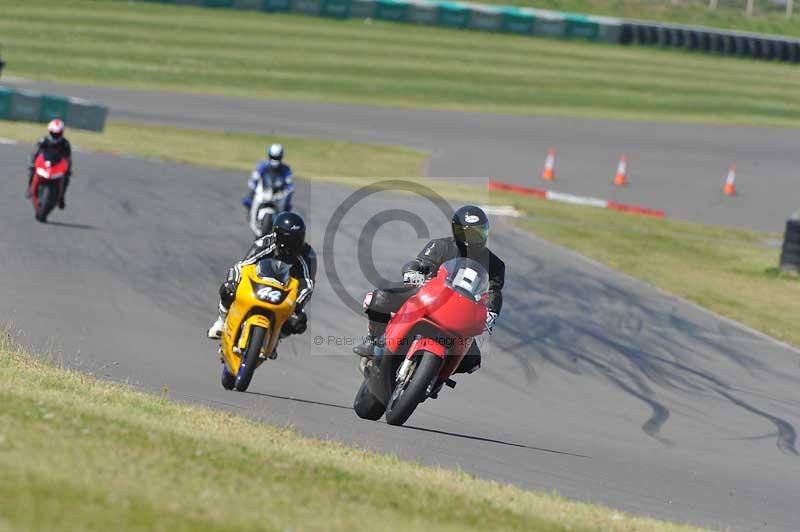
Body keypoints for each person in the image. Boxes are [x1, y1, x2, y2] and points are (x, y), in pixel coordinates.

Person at [353, 205, 505, 376]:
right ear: (456, 231)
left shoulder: (496, 265)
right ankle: (375, 341)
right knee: (377, 298)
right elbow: (421, 263)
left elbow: (494, 291)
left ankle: (434, 374)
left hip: (462, 311)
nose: (472, 238)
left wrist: (491, 313)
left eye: (477, 232)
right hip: (426, 296)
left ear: (485, 232)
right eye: (466, 232)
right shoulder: (440, 246)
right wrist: (413, 272)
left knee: (472, 361)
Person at [207, 212, 316, 356]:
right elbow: (242, 266)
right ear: (279, 236)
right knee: (229, 289)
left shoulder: (308, 254)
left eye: (299, 238)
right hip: (259, 282)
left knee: (299, 322)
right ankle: (221, 321)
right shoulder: (265, 243)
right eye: (291, 239)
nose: (295, 244)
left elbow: (307, 284)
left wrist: (296, 305)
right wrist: (233, 282)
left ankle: (276, 338)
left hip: (285, 291)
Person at [27, 119, 72, 208]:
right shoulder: (43, 140)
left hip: (58, 166)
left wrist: (68, 169)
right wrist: (32, 162)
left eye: (58, 134)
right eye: (54, 133)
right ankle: (29, 188)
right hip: (44, 164)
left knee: (66, 177)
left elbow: (68, 158)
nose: (56, 136)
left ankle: (61, 197)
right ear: (50, 131)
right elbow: (35, 152)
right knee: (32, 170)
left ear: (62, 133)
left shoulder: (65, 143)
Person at [242, 143, 294, 212]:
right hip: (264, 192)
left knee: (286, 208)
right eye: (273, 157)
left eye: (277, 158)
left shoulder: (286, 169)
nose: (275, 160)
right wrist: (253, 186)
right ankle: (251, 218)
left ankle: (280, 220)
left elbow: (289, 182)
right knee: (248, 200)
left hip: (278, 195)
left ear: (281, 157)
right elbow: (254, 177)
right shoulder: (262, 166)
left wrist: (289, 190)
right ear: (269, 155)